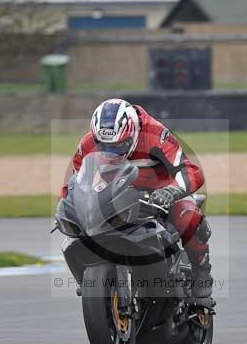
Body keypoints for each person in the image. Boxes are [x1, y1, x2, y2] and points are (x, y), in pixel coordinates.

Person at [61, 98, 213, 299]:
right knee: (76, 234)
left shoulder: (155, 135)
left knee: (188, 215)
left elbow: (191, 171)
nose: (112, 151)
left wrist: (172, 191)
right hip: (117, 194)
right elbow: (76, 182)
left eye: (119, 145)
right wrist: (69, 205)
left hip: (161, 193)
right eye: (104, 145)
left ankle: (201, 270)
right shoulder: (89, 142)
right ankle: (92, 280)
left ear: (132, 133)